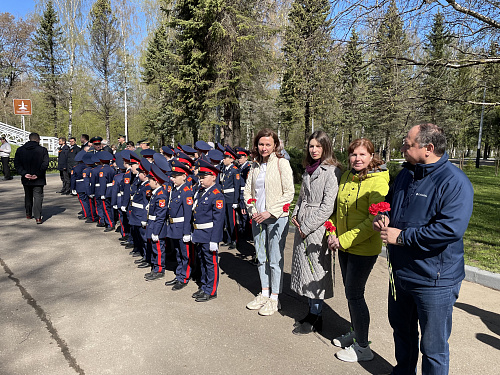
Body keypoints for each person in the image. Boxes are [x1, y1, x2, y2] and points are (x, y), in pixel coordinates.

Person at [373, 124, 474, 375]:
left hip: (434, 280)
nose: (402, 148)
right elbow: (389, 201)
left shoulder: (454, 182)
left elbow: (450, 230)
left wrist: (403, 237)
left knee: (433, 348)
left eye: (408, 144)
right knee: (403, 333)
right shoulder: (406, 174)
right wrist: (383, 216)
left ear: (428, 148)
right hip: (401, 274)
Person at [328, 138, 390, 362]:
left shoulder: (379, 181)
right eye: (354, 155)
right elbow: (338, 211)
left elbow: (373, 220)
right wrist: (331, 231)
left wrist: (342, 240)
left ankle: (363, 347)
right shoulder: (346, 176)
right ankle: (356, 333)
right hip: (343, 244)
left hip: (363, 248)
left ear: (372, 157)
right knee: (350, 293)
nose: (357, 159)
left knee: (355, 295)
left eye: (363, 155)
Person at [290, 130, 342, 334]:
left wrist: (307, 226)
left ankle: (317, 315)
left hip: (317, 227)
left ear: (326, 147)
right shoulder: (308, 169)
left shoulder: (332, 171)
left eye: (318, 146)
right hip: (303, 222)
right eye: (311, 146)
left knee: (316, 271)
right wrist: (295, 214)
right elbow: (302, 196)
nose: (314, 150)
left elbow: (328, 207)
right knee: (305, 269)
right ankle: (311, 311)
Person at [244, 128, 294, 316]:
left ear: (275, 146)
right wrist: (254, 211)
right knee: (261, 257)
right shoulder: (255, 166)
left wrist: (269, 212)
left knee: (275, 259)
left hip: (276, 219)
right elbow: (248, 192)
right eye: (261, 144)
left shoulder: (282, 164)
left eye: (268, 144)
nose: (264, 148)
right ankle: (264, 293)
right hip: (258, 218)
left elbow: (289, 193)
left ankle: (275, 298)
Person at [190, 159, 225, 302]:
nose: (201, 180)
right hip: (199, 233)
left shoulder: (217, 194)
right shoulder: (201, 192)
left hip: (209, 234)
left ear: (213, 177)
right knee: (202, 261)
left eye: (203, 177)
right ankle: (204, 286)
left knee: (211, 263)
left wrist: (214, 240)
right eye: (200, 177)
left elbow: (218, 220)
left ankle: (211, 290)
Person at [14, 133, 49, 224]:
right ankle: (38, 217)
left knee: (28, 195)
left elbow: (17, 164)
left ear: (29, 139)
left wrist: (24, 173)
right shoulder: (43, 150)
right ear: (38, 139)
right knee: (38, 196)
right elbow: (45, 164)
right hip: (38, 178)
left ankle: (28, 213)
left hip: (26, 177)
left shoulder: (20, 150)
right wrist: (37, 174)